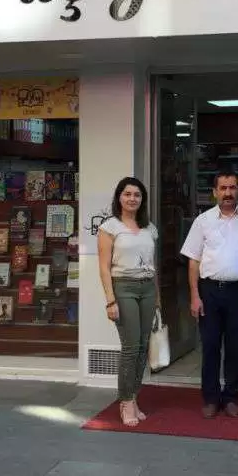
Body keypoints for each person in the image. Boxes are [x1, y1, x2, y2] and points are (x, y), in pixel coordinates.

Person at [181, 170, 238, 418]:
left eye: (232, 187)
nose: (228, 193)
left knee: (235, 346)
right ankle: (210, 398)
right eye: (223, 188)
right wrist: (195, 296)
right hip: (209, 292)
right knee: (210, 346)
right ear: (215, 192)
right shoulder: (202, 221)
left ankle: (231, 397)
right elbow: (193, 261)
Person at [97, 177, 160, 427]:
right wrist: (110, 300)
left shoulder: (149, 228)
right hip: (123, 288)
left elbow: (153, 265)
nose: (132, 198)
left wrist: (157, 297)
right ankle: (125, 401)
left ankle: (133, 396)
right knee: (131, 347)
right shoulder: (109, 227)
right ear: (119, 197)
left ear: (142, 199)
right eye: (128, 194)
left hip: (148, 288)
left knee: (143, 346)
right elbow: (104, 267)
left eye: (137, 195)